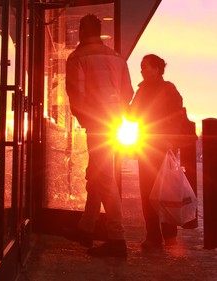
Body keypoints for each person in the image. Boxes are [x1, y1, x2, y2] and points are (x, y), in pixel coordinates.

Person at [65, 14, 134, 257]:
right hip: (113, 122)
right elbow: (127, 93)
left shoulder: (77, 58)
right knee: (97, 174)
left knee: (103, 177)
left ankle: (117, 238)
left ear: (83, 30)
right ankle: (86, 227)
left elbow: (77, 94)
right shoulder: (116, 58)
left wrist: (85, 119)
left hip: (95, 123)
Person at [127, 54, 184, 249]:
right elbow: (132, 115)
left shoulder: (169, 89)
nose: (142, 70)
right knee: (148, 192)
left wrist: (171, 139)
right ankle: (153, 236)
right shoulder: (141, 90)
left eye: (146, 67)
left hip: (163, 146)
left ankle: (169, 235)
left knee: (165, 191)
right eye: (141, 67)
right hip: (146, 146)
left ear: (158, 69)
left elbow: (179, 115)